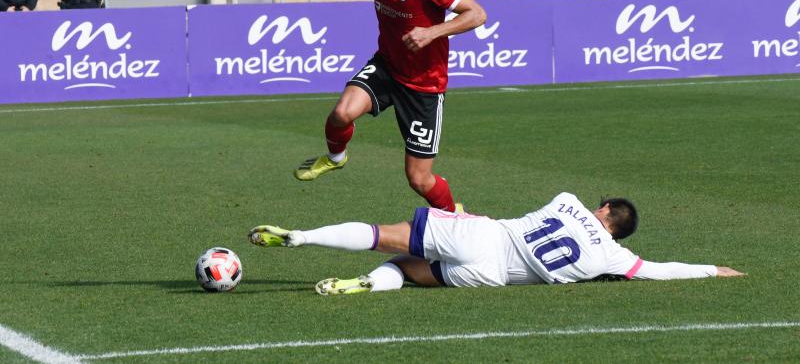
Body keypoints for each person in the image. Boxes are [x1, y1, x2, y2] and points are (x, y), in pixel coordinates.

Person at [290, 0, 487, 213]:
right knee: (341, 113)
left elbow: (477, 14)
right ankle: (336, 158)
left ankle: (456, 220)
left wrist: (431, 32)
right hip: (388, 67)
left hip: (424, 86)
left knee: (419, 179)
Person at [248, 192, 744, 295]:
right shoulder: (614, 258)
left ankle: (302, 236)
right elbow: (658, 269)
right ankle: (364, 286)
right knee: (404, 266)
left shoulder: (569, 201)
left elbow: (545, 217)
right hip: (491, 275)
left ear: (607, 213)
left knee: (384, 237)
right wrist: (711, 270)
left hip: (485, 232)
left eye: (603, 206)